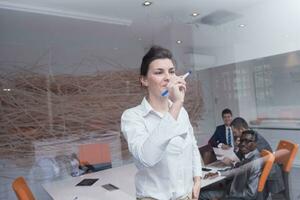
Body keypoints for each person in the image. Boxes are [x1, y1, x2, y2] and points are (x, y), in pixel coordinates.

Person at [121, 45, 202, 200]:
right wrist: (177, 104)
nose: (168, 77)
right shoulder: (132, 117)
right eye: (159, 72)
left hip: (187, 195)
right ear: (144, 80)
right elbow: (147, 158)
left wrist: (197, 178)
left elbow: (192, 146)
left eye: (171, 71)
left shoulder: (181, 112)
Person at [223, 117, 284, 194]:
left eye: (234, 132)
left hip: (265, 176)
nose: (234, 135)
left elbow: (249, 161)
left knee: (231, 181)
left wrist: (233, 163)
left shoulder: (254, 140)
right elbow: (241, 156)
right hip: (261, 171)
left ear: (241, 130)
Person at [200, 130, 263, 200]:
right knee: (206, 188)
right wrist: (218, 173)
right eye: (241, 141)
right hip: (232, 187)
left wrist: (226, 198)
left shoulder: (254, 162)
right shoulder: (250, 155)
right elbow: (238, 170)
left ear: (255, 143)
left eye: (247, 141)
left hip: (233, 194)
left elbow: (250, 194)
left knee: (201, 194)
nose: (243, 144)